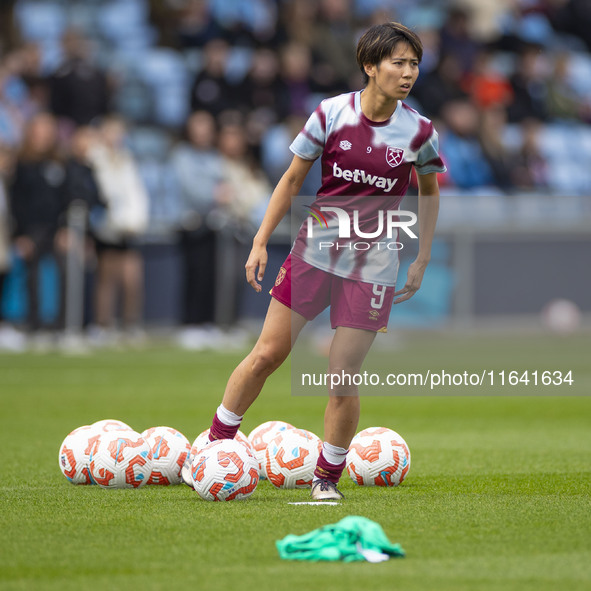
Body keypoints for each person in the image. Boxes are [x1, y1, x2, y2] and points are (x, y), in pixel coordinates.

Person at [199, 22, 445, 500]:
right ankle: (214, 448)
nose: (408, 72)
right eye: (398, 62)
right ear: (370, 67)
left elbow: (429, 194)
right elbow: (291, 180)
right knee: (268, 354)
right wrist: (259, 241)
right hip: (314, 253)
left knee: (341, 375)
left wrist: (422, 257)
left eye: (414, 63)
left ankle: (325, 482)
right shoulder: (331, 114)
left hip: (373, 264)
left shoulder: (419, 131)